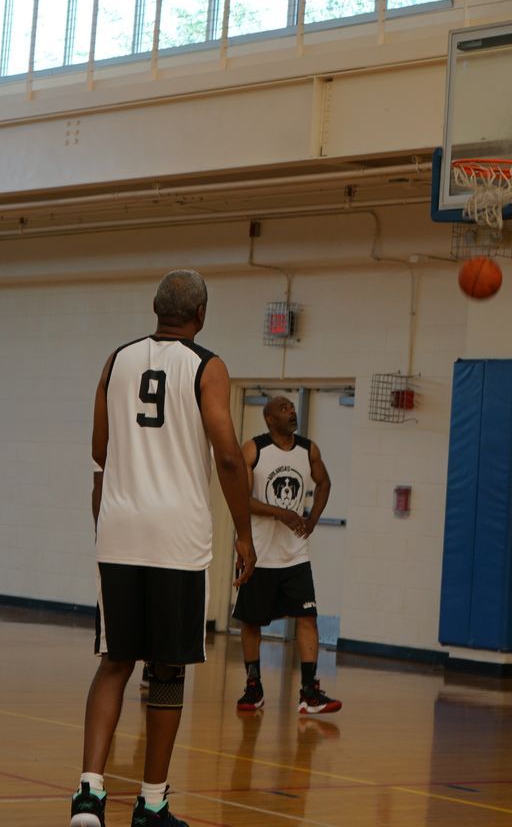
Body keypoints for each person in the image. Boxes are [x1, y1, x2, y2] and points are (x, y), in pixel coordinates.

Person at [70, 271, 255, 827]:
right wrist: (244, 532)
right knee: (168, 669)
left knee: (115, 661)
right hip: (176, 537)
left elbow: (99, 449)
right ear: (201, 314)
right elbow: (227, 454)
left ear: (155, 309)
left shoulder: (116, 360)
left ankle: (89, 795)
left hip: (120, 528)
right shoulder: (207, 366)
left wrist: (104, 519)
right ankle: (151, 803)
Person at [233, 393, 341, 715]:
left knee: (307, 617)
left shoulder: (309, 450)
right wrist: (280, 512)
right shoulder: (254, 449)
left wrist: (312, 520)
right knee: (251, 622)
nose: (291, 411)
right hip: (260, 551)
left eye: (292, 407)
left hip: (295, 554)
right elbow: (239, 497)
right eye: (284, 408)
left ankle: (309, 692)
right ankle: (254, 687)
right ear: (269, 419)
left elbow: (324, 484)